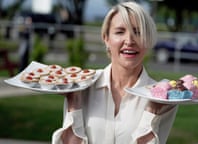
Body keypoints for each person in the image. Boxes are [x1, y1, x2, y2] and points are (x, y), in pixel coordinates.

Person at [52, 1, 178, 144]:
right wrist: (73, 103)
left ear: (147, 40)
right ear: (106, 38)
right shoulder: (81, 86)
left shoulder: (162, 99)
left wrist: (151, 112)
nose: (129, 40)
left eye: (137, 32)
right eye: (119, 32)